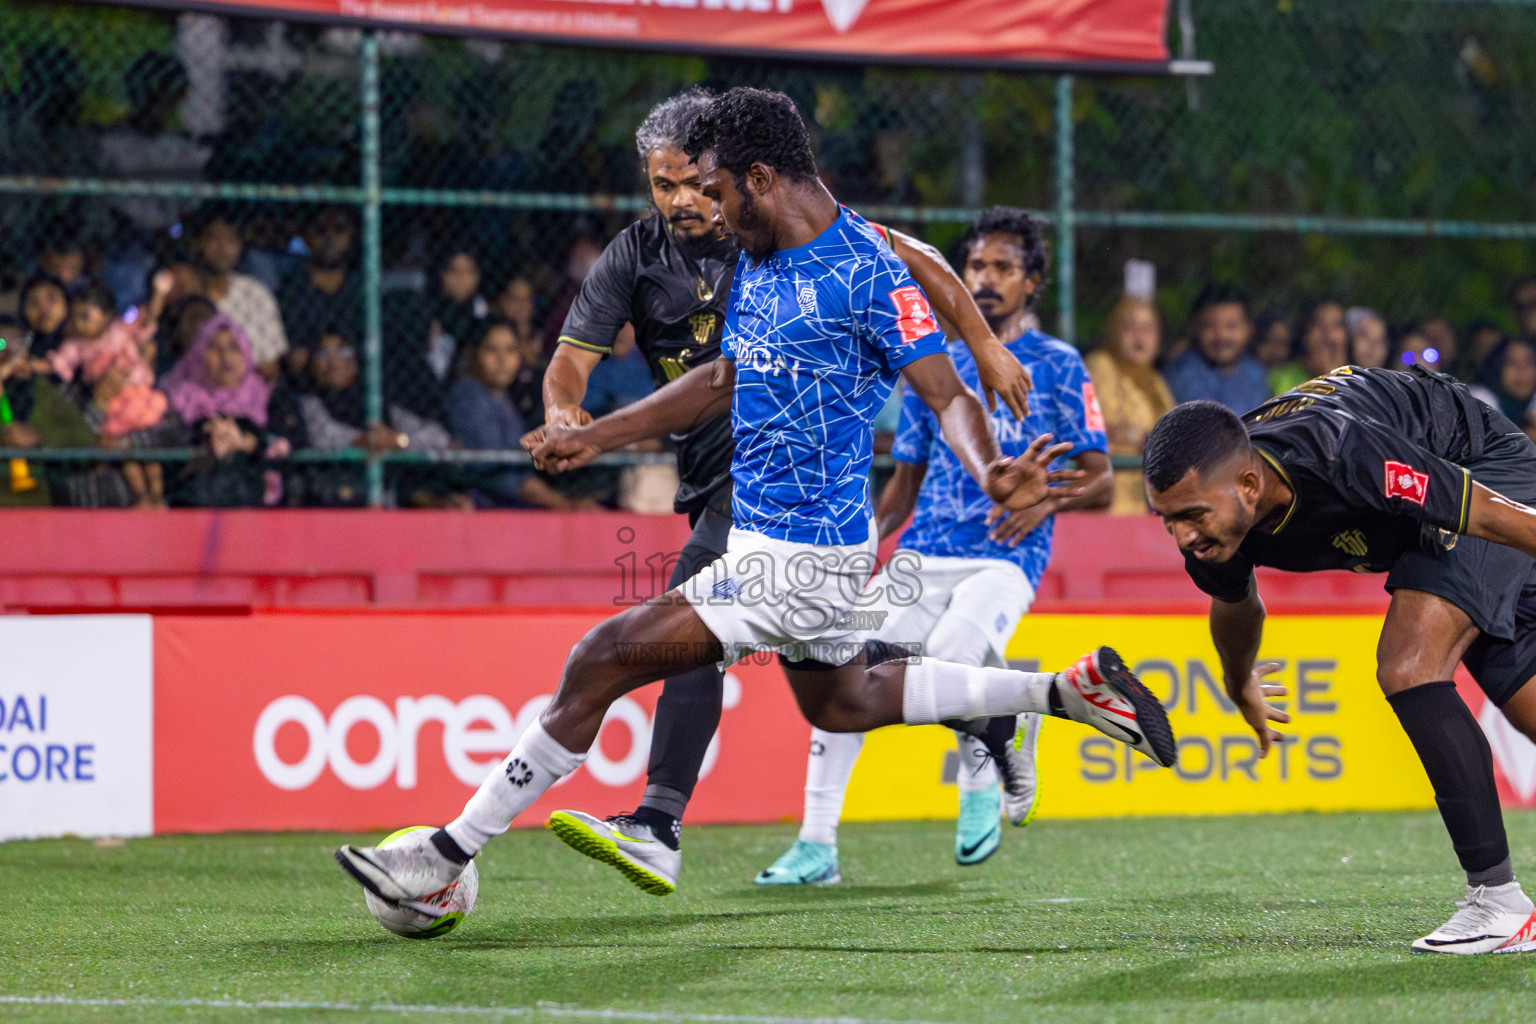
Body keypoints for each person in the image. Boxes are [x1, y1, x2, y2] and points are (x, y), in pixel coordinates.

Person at [333, 87, 1173, 913]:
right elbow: (722, 380)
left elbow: (946, 392)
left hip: (801, 557)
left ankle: (447, 856)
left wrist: (989, 460)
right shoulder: (763, 260)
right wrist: (598, 436)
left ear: (762, 177)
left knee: (602, 656)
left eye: (719, 191)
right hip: (788, 550)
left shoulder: (866, 271)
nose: (710, 212)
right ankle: (1061, 694)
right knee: (846, 699)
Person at [526, 87, 1034, 894]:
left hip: (782, 482)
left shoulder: (773, 217)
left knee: (680, 621)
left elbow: (910, 260)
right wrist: (569, 417)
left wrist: (982, 346)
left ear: (729, 174)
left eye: (697, 182)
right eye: (664, 186)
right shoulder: (634, 255)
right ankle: (982, 703)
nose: (687, 201)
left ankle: (658, 820)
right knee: (835, 685)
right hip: (714, 473)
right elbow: (573, 360)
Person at [757, 207, 1112, 885]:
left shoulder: (1060, 366)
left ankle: (979, 780)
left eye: (1003, 267)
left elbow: (1098, 476)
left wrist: (1044, 500)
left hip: (1005, 558)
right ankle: (815, 844)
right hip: (924, 551)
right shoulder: (934, 362)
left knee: (948, 659)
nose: (985, 278)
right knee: (841, 662)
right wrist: (857, 549)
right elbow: (904, 481)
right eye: (976, 265)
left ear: (1032, 281)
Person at [1142, 370, 1536, 954]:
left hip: (1482, 470)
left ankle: (1499, 904)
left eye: (1192, 515)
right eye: (1168, 520)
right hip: (1416, 524)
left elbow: (1477, 512)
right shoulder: (1216, 521)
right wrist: (1237, 680)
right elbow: (1235, 603)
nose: (1183, 537)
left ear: (1250, 484)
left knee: (1410, 664)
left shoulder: (1340, 451)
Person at [445, 319, 592, 510]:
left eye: (510, 350)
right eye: (491, 349)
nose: (502, 359)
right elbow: (498, 474)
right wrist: (564, 504)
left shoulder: (502, 395)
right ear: (473, 353)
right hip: (490, 503)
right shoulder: (469, 397)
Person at [159, 315, 293, 507]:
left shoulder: (267, 395)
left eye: (234, 347)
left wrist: (246, 442)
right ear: (198, 354)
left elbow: (292, 438)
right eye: (213, 347)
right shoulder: (176, 396)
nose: (225, 356)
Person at [1086, 296, 1175, 514]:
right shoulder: (1100, 367)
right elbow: (1102, 429)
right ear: (1114, 330)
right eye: (1129, 326)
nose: (1139, 336)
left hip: (1142, 504)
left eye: (1148, 328)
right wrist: (1144, 438)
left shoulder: (1154, 380)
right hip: (1105, 502)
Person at [186, 206, 289, 379]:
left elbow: (269, 366)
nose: (222, 248)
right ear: (197, 243)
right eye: (214, 239)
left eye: (231, 240)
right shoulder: (185, 294)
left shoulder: (255, 293)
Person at [277, 206, 361, 373]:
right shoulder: (293, 287)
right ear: (307, 236)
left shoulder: (361, 286)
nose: (329, 238)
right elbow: (295, 354)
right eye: (320, 230)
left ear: (352, 235)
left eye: (339, 229)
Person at [1164, 285, 1270, 414]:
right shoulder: (1183, 371)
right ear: (1196, 329)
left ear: (1249, 330)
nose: (1221, 335)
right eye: (1210, 326)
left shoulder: (1254, 371)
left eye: (1231, 326)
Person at [1270, 299, 1348, 395]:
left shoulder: (1360, 381)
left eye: (1336, 324)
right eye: (1320, 324)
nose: (1328, 333)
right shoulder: (1283, 377)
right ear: (1305, 334)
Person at [1469, 338, 1536, 440]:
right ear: (1497, 368)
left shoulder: (1532, 403)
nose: (1522, 370)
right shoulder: (1476, 400)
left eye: (1529, 362)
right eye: (1512, 362)